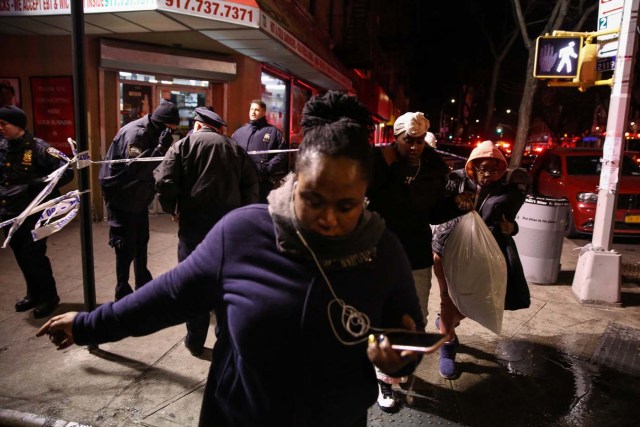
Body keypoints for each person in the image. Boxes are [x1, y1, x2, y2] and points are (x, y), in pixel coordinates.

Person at [38, 91, 428, 427]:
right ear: (294, 179)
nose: (329, 218)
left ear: (365, 194)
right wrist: (89, 325)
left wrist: (397, 361)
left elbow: (407, 338)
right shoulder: (242, 234)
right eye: (313, 198)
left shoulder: (384, 251)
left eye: (347, 205)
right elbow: (168, 297)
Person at [366, 111, 471, 411]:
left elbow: (433, 213)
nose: (413, 146)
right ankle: (384, 380)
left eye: (419, 141)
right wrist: (382, 167)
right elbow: (361, 194)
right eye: (407, 141)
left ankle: (392, 370)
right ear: (395, 139)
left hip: (414, 253)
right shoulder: (378, 163)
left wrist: (456, 205)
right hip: (378, 251)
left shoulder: (434, 168)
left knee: (415, 318)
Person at [154, 107, 259, 357]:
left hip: (194, 228)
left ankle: (195, 340)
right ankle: (225, 339)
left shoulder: (182, 147)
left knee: (195, 284)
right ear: (216, 127)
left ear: (198, 125)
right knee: (226, 284)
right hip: (228, 230)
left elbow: (163, 182)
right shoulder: (234, 148)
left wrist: (173, 209)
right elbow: (251, 187)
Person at [431, 140, 530, 379]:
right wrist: (455, 203)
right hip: (447, 248)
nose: (488, 174)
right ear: (472, 166)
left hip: (484, 254)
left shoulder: (508, 192)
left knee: (473, 301)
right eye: (483, 167)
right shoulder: (454, 181)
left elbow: (510, 221)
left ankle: (448, 321)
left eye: (495, 169)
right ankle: (448, 347)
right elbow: (436, 210)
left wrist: (511, 228)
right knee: (448, 299)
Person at [99, 100, 180, 301]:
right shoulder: (136, 134)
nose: (172, 132)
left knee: (141, 242)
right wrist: (160, 149)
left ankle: (143, 284)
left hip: (138, 198)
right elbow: (134, 170)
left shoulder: (153, 131)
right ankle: (122, 291)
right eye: (170, 128)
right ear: (162, 123)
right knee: (125, 246)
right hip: (122, 197)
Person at [0, 105, 74, 318]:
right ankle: (33, 294)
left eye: (5, 124)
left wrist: (37, 185)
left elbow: (66, 170)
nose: (1, 128)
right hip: (11, 212)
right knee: (21, 256)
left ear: (18, 125)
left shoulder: (39, 148)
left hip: (34, 214)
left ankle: (49, 297)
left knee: (34, 256)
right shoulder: (3, 146)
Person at [231, 99, 289, 202]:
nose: (253, 112)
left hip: (263, 182)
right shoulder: (239, 132)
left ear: (263, 112)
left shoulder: (273, 132)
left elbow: (283, 153)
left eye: (256, 110)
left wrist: (268, 168)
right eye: (251, 109)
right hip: (242, 182)